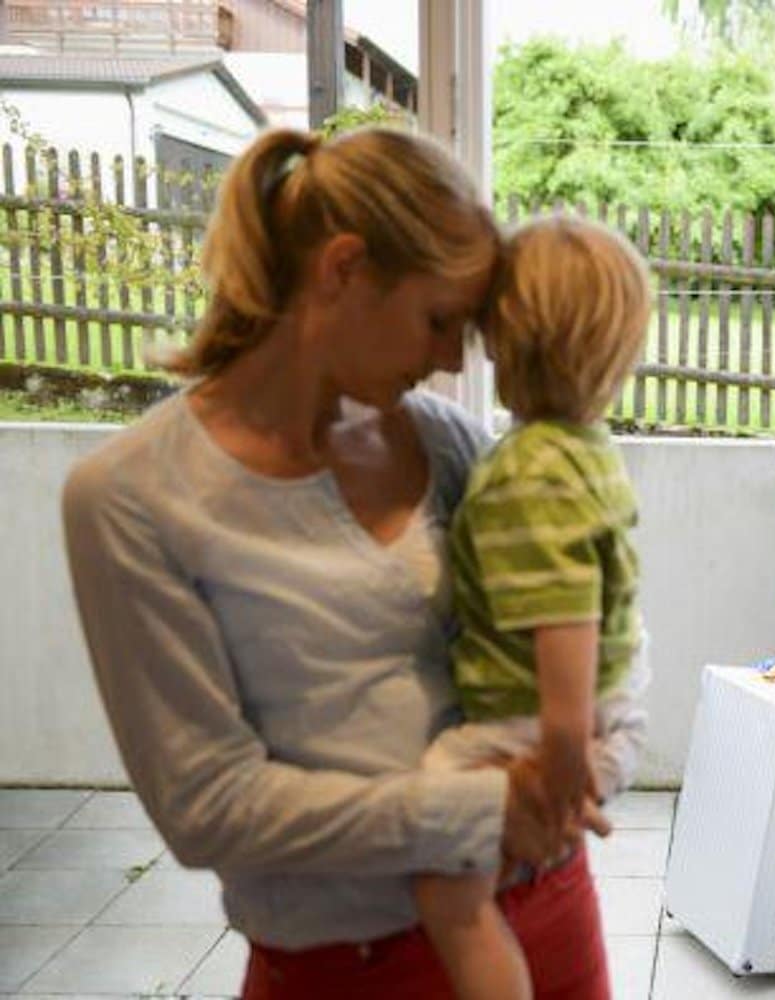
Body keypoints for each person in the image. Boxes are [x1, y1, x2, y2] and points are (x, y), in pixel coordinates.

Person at [60, 127, 632, 999]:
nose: (451, 359)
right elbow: (208, 810)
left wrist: (597, 765)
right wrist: (490, 806)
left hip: (549, 906)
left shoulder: (448, 443)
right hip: (349, 966)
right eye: (439, 320)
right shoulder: (132, 498)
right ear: (344, 268)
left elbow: (589, 627)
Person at [412, 215, 651, 1000]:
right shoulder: (584, 447)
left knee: (443, 877)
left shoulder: (530, 473)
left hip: (536, 723)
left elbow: (565, 633)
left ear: (500, 337)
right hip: (580, 716)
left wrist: (558, 774)